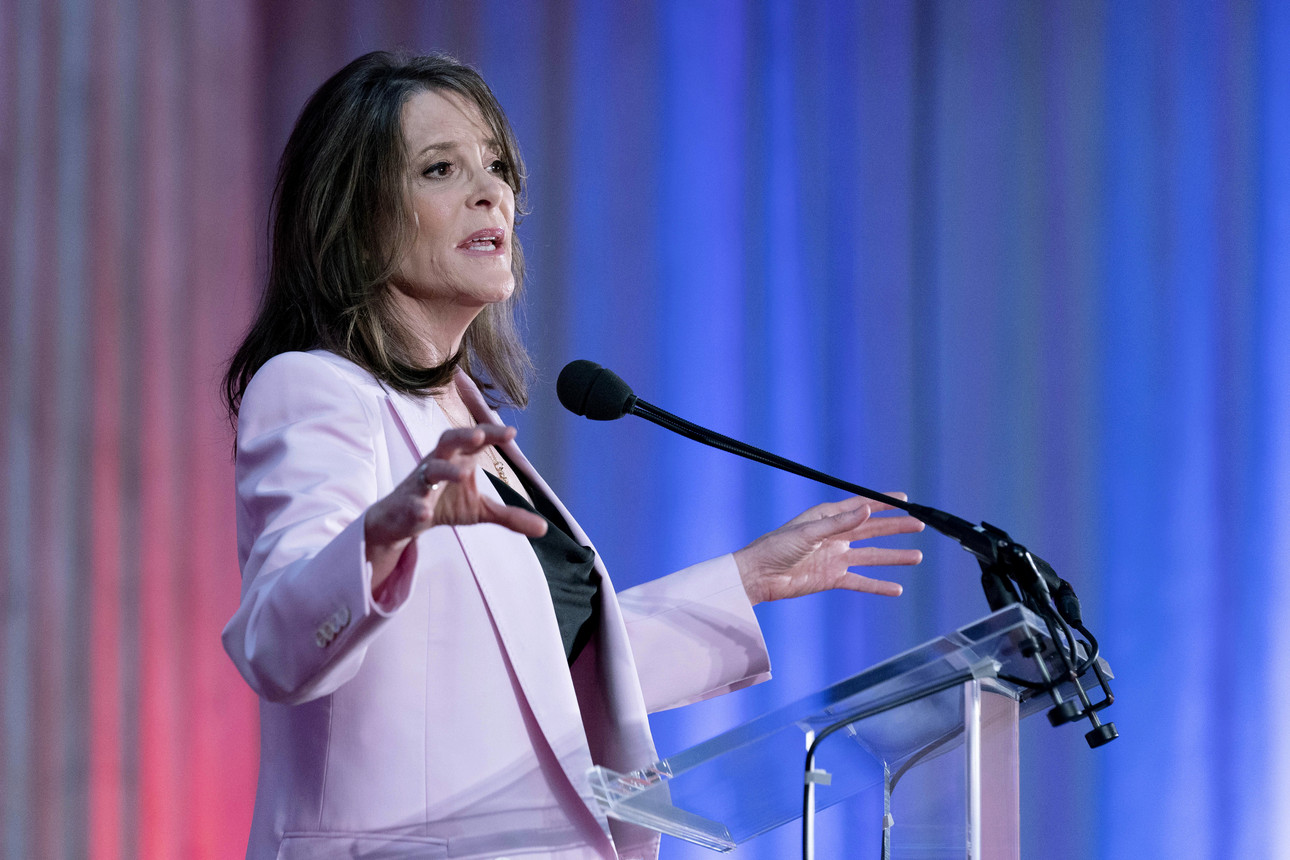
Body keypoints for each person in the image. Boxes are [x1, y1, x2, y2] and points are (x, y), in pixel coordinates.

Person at [221, 51, 924, 860]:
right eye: (440, 168)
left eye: (496, 166)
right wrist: (381, 535)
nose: (490, 192)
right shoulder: (315, 389)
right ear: (354, 215)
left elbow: (537, 678)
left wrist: (747, 579)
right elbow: (276, 645)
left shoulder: (463, 414)